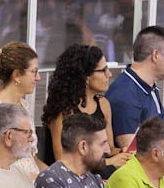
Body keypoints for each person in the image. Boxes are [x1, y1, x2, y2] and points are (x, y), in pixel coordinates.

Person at [42, 44, 129, 172]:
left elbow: (109, 149)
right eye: (103, 70)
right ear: (86, 77)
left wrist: (123, 151)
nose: (109, 74)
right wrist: (109, 162)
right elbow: (62, 161)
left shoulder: (103, 104)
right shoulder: (63, 112)